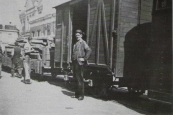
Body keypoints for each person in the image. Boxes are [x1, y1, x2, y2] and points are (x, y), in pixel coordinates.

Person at [71, 29, 92, 100]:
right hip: (75, 62)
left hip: (80, 63)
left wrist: (84, 58)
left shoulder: (83, 43)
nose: (77, 37)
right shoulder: (76, 43)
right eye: (76, 35)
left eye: (78, 35)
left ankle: (81, 95)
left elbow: (89, 50)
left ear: (81, 35)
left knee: (80, 79)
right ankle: (76, 94)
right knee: (75, 79)